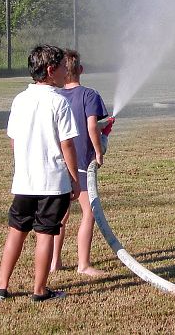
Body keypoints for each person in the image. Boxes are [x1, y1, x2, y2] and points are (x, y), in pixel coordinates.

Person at [0, 44, 80, 303]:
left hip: (24, 181)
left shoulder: (20, 99)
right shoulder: (59, 102)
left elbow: (13, 139)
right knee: (46, 233)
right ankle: (39, 290)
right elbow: (67, 144)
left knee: (16, 230)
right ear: (50, 70)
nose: (64, 74)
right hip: (53, 183)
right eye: (61, 69)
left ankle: (1, 286)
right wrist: (74, 179)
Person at [51, 50, 109, 277]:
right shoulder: (90, 95)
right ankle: (83, 264)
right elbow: (91, 126)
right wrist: (98, 152)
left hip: (59, 163)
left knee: (61, 214)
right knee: (89, 212)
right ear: (81, 70)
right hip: (82, 162)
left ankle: (55, 262)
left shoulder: (55, 96)